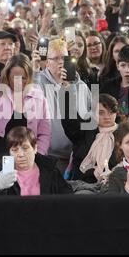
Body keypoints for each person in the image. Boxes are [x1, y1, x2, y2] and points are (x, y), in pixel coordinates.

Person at [0, 19, 51, 181]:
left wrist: (37, 156)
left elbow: (45, 133)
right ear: (7, 75)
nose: (19, 81)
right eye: (14, 76)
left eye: (23, 77)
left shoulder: (38, 96)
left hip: (26, 157)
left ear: (29, 77)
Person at [35, 38, 92, 173]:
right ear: (47, 62)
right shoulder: (37, 83)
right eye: (56, 58)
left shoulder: (81, 86)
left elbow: (90, 120)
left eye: (64, 58)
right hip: (47, 156)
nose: (61, 62)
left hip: (77, 156)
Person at [0, 127, 72, 195]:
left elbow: (67, 199)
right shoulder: (1, 169)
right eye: (15, 150)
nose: (21, 154)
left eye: (25, 148)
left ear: (35, 148)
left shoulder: (50, 170)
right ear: (9, 152)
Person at [62, 93, 119, 183]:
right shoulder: (84, 131)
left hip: (113, 185)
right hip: (82, 184)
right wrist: (67, 92)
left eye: (111, 112)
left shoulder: (124, 133)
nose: (107, 117)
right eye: (101, 113)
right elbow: (69, 119)